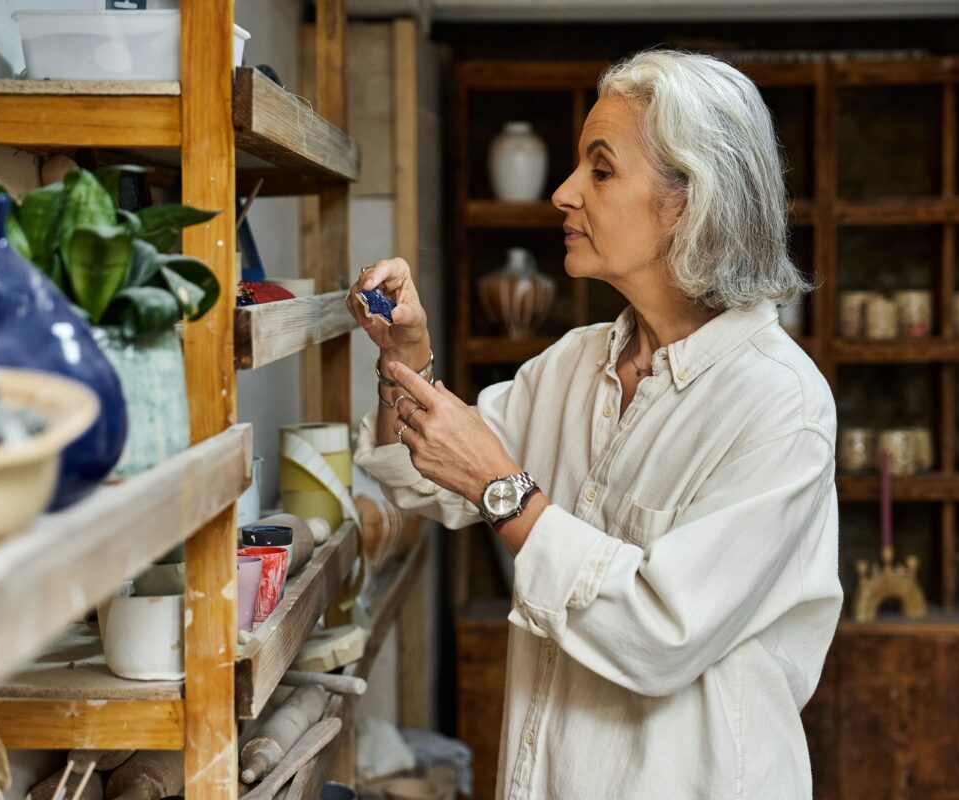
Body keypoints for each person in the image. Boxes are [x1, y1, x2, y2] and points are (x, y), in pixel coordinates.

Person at [349, 48, 840, 800]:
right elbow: (423, 481)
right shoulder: (577, 363)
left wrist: (504, 490)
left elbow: (660, 633)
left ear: (688, 203)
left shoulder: (780, 405)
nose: (564, 192)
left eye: (600, 170)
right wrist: (406, 359)